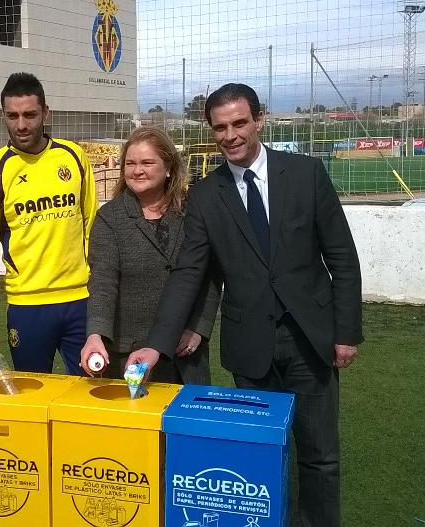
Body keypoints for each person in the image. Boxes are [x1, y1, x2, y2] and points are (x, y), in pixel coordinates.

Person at [126, 83, 362, 527]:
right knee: (261, 455)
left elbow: (342, 258)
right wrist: (157, 344)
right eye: (220, 127)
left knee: (319, 456)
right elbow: (189, 272)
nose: (231, 135)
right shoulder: (205, 194)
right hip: (250, 346)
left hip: (310, 340)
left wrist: (346, 333)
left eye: (239, 123)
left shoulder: (307, 174)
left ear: (259, 120)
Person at [0, 72, 97, 374]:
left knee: (90, 390)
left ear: (45, 112)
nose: (21, 125)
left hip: (80, 300)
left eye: (29, 114)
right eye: (12, 116)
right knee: (33, 393)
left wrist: (99, 289)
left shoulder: (74, 157)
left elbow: (92, 227)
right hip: (27, 307)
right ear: (3, 115)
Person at [79, 127, 219, 384]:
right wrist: (95, 334)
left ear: (168, 168)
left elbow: (208, 275)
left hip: (184, 352)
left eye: (147, 162)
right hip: (130, 354)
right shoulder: (109, 218)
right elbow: (103, 283)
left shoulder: (193, 211)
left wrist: (198, 328)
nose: (137, 170)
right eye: (130, 163)